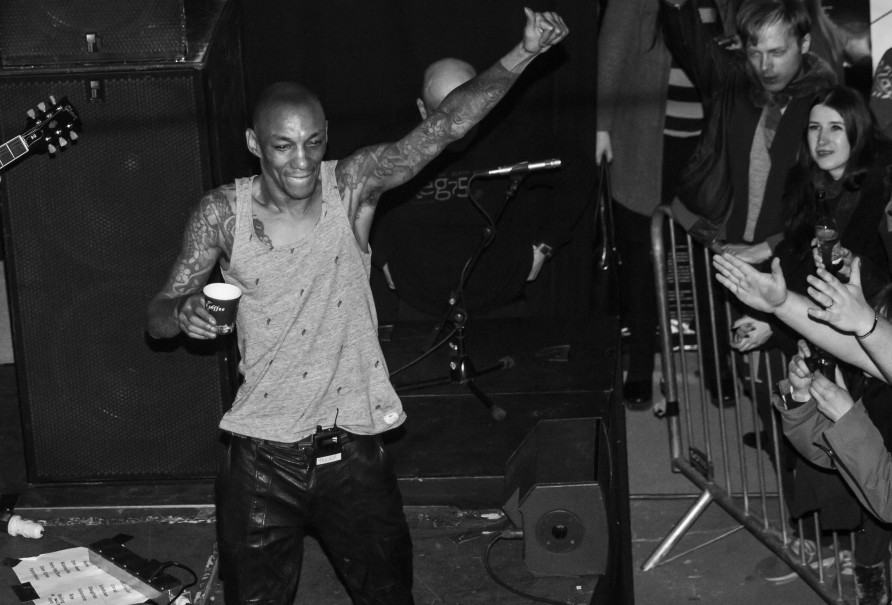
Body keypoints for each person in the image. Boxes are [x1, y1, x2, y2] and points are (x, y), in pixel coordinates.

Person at [144, 9, 568, 604]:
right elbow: (157, 317)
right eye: (283, 146)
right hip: (262, 460)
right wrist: (184, 310)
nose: (301, 161)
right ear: (254, 144)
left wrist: (523, 52)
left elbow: (445, 127)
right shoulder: (221, 213)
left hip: (352, 454)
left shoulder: (352, 186)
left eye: (313, 142)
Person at [661, 0, 838, 408]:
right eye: (755, 52)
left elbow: (831, 196)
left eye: (777, 52)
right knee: (752, 364)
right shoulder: (734, 80)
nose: (765, 65)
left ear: (804, 44)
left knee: (792, 371)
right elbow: (691, 42)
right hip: (730, 239)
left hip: (789, 252)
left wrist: (771, 245)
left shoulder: (825, 101)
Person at [371, 57, 589, 321]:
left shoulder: (515, 140)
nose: (458, 127)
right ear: (422, 109)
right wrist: (380, 256)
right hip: (419, 308)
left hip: (500, 307)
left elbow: (579, 172)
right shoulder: (396, 147)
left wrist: (545, 246)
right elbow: (352, 195)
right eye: (443, 114)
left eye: (467, 110)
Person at [595, 0, 728, 409]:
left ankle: (718, 365)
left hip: (706, 151)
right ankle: (639, 367)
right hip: (644, 148)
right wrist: (601, 127)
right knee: (640, 263)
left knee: (712, 260)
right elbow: (610, 58)